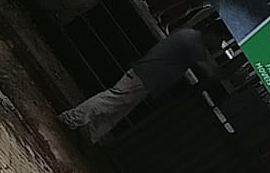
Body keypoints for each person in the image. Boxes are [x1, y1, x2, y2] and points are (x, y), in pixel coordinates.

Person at [59, 27, 217, 144]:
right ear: (212, 34)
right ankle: (72, 119)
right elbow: (210, 71)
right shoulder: (193, 43)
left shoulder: (189, 34)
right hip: (147, 76)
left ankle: (88, 133)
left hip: (147, 76)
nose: (218, 44)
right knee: (111, 101)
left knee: (117, 110)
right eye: (219, 40)